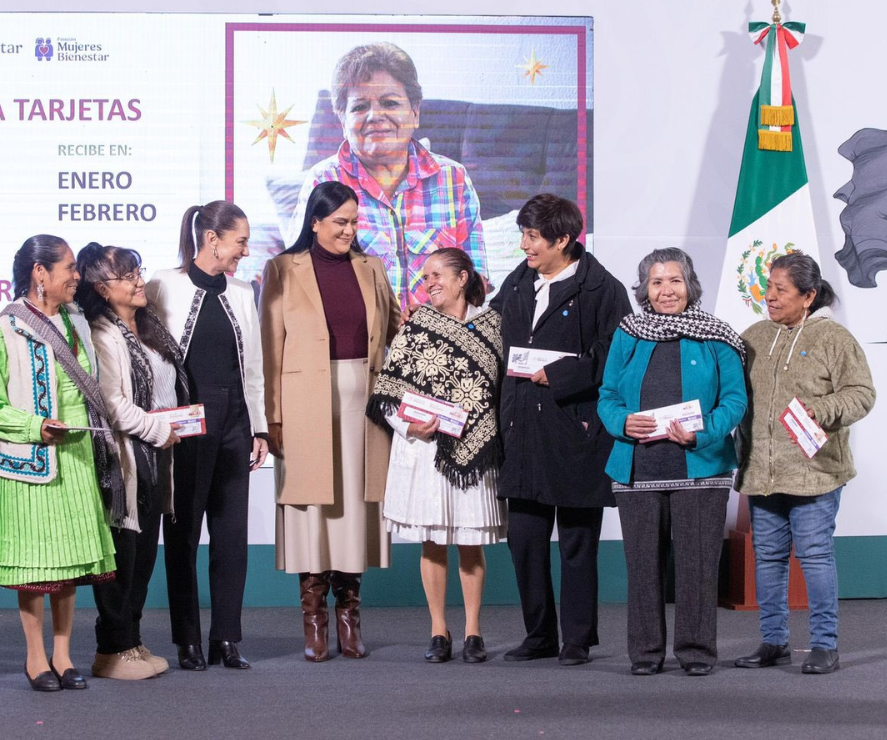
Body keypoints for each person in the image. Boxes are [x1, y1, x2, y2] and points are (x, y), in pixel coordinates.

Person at [0, 234, 119, 692]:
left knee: (70, 564)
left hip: (76, 453)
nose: (77, 276)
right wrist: (36, 426)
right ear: (40, 273)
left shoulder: (76, 320)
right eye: (69, 268)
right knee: (37, 568)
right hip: (31, 458)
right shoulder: (5, 330)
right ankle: (35, 658)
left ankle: (62, 655)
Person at [490, 193, 631, 666]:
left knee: (576, 542)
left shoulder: (602, 289)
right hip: (521, 428)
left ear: (563, 240)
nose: (525, 246)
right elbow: (491, 330)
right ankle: (538, 635)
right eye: (524, 236)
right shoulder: (518, 281)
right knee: (525, 542)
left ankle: (576, 639)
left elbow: (616, 355)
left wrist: (562, 375)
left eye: (532, 238)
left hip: (576, 430)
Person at [261, 181, 399, 662]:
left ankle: (349, 616)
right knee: (311, 511)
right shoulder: (281, 269)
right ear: (314, 222)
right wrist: (272, 418)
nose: (349, 230)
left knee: (354, 512)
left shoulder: (373, 268)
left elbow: (396, 335)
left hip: (366, 404)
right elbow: (269, 348)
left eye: (354, 222)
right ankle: (314, 619)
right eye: (340, 222)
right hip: (303, 405)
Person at [598, 248, 747, 676]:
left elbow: (735, 400)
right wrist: (623, 423)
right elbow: (608, 395)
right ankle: (645, 654)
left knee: (698, 566)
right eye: (657, 282)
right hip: (637, 467)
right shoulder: (628, 333)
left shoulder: (717, 334)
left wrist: (703, 433)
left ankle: (697, 652)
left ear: (690, 285)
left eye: (675, 281)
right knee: (642, 566)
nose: (666, 290)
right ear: (645, 288)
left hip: (701, 468)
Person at [733, 253, 875, 675]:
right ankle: (773, 640)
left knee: (814, 556)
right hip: (762, 471)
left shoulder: (835, 339)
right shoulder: (754, 336)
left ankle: (824, 645)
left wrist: (823, 408)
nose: (770, 297)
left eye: (781, 290)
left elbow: (862, 394)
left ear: (809, 296)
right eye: (769, 287)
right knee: (769, 557)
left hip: (815, 472)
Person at [368, 248, 507, 664]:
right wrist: (408, 426)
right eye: (424, 277)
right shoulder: (413, 329)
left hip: (477, 452)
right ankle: (437, 630)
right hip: (425, 452)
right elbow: (388, 394)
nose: (427, 283)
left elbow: (501, 392)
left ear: (463, 278)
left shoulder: (494, 326)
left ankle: (473, 631)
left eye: (436, 274)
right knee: (432, 541)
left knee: (469, 541)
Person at [146, 201, 269, 670]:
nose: (245, 249)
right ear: (212, 238)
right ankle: (188, 641)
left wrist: (258, 426)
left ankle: (226, 639)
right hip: (186, 426)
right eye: (240, 240)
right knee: (181, 536)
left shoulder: (241, 291)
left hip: (235, 421)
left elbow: (252, 366)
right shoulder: (163, 283)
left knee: (231, 536)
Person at [293, 41, 484, 309]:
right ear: (341, 118)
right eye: (359, 107)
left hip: (439, 344)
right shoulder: (322, 182)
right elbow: (300, 287)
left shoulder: (453, 180)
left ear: (415, 112)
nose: (375, 116)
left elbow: (478, 284)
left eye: (389, 102)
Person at [76, 243, 186, 681]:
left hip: (158, 458)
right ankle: (111, 649)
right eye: (128, 276)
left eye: (138, 271)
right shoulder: (101, 333)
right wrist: (158, 429)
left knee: (142, 560)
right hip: (125, 461)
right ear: (102, 288)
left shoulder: (148, 326)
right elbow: (111, 403)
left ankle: (132, 642)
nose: (140, 280)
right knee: (122, 560)